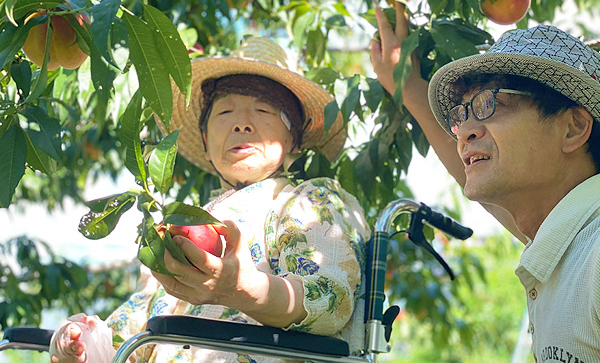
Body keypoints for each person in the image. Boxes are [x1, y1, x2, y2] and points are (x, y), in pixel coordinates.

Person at [50, 37, 370, 363]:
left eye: (262, 110)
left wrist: (243, 287)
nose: (242, 122)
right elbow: (138, 327)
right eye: (225, 111)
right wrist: (89, 342)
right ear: (205, 139)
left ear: (294, 139)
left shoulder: (308, 202)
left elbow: (332, 301)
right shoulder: (186, 223)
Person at [372, 1, 600, 361]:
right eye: (461, 114)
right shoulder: (561, 240)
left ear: (572, 128)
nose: (464, 132)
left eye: (491, 105)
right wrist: (409, 87)